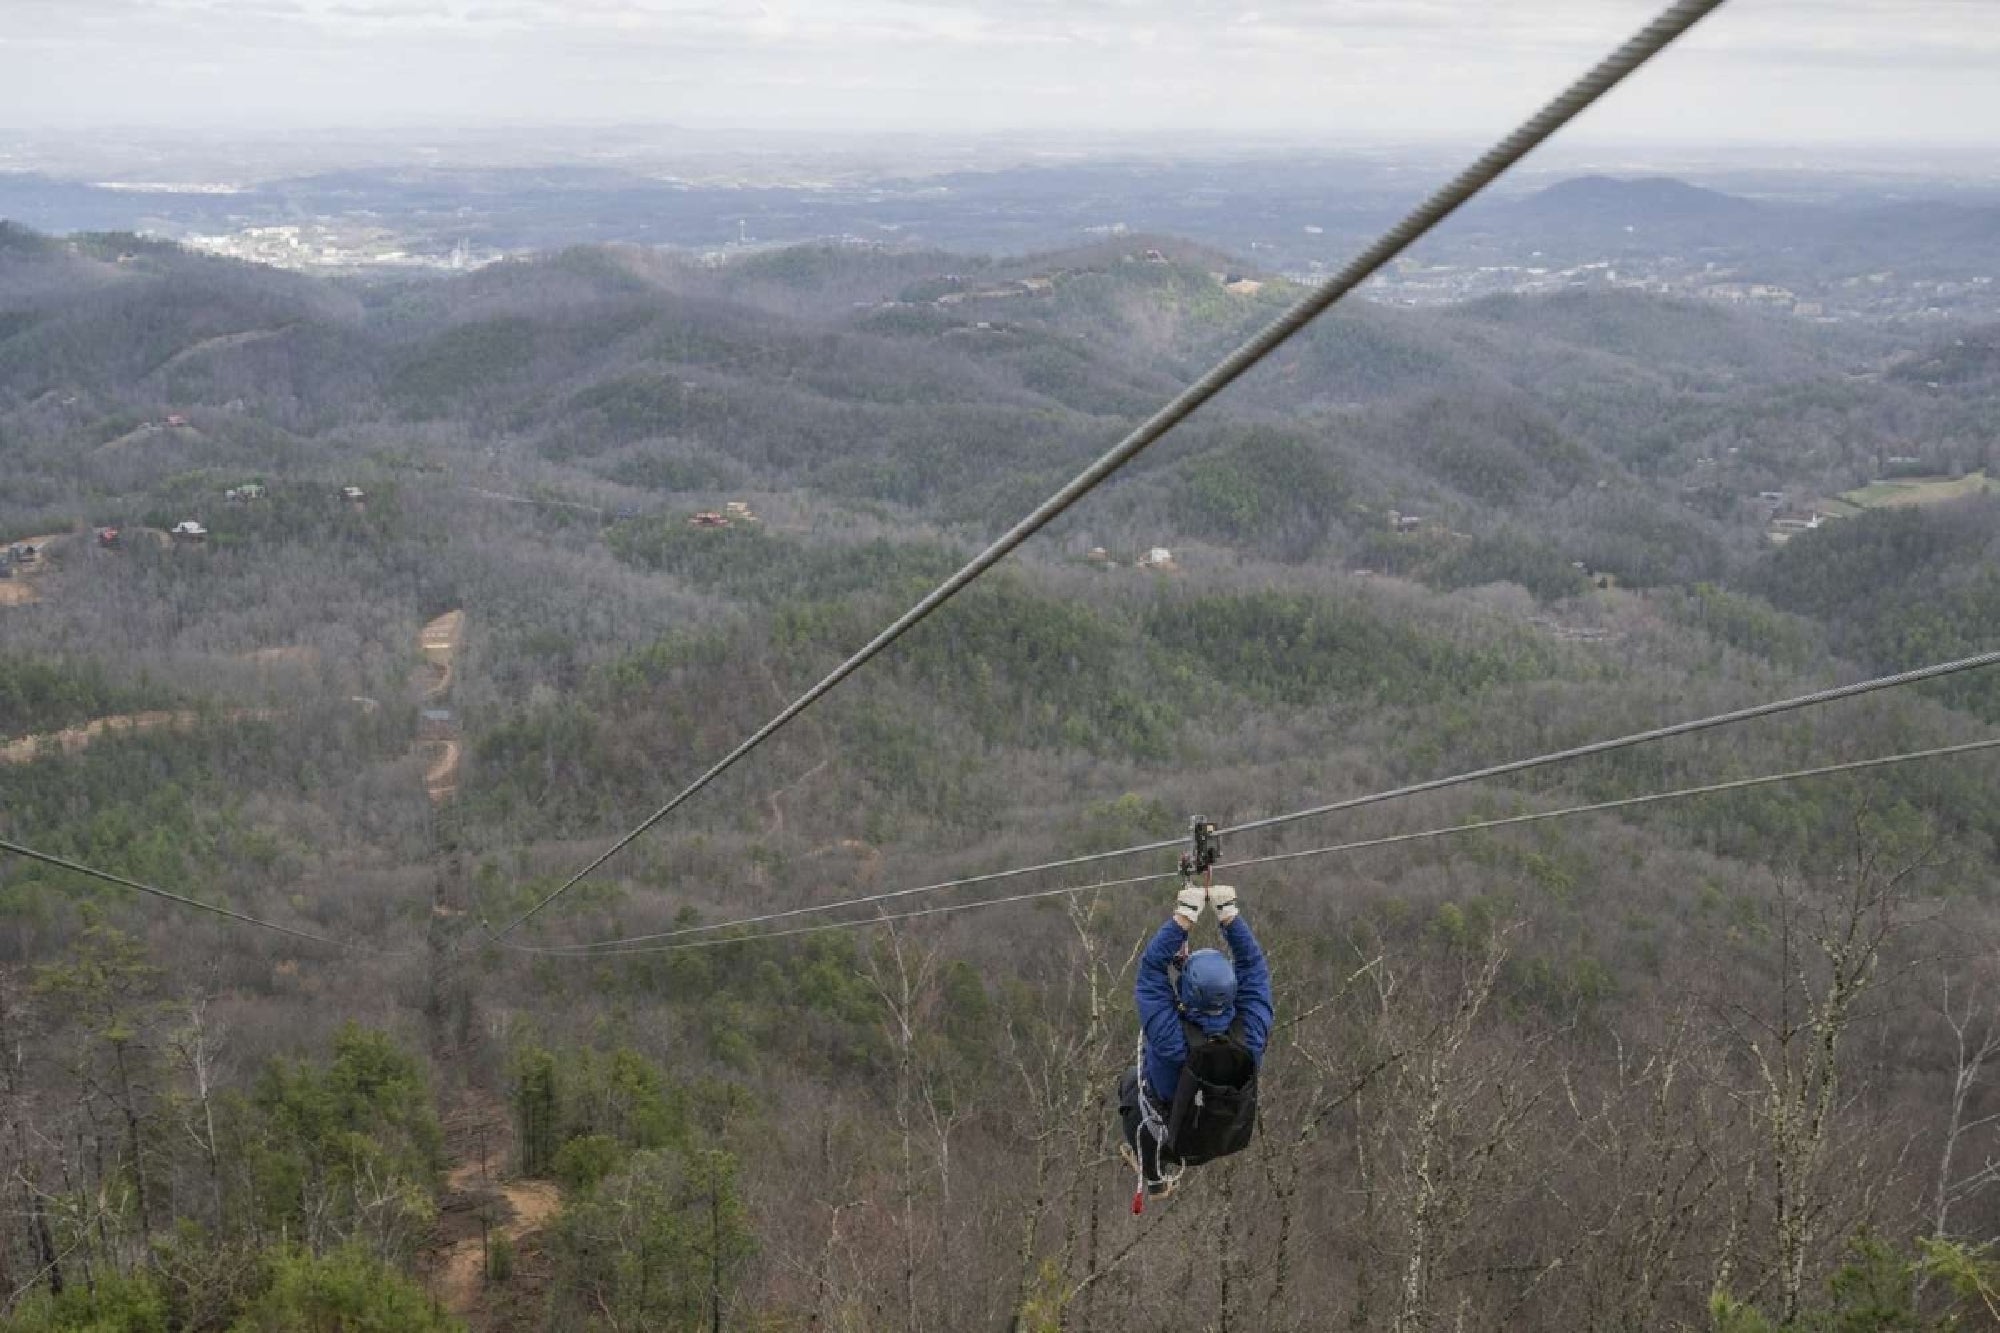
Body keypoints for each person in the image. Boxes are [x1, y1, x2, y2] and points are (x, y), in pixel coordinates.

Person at [1117, 881, 1273, 1200]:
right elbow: (1254, 967)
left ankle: (1155, 1177)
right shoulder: (1252, 1032)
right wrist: (1229, 915)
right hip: (1223, 1136)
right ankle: (1157, 1172)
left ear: (1186, 994)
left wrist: (1183, 919)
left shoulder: (1170, 1039)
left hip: (1173, 1140)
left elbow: (1150, 969)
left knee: (1131, 1086)